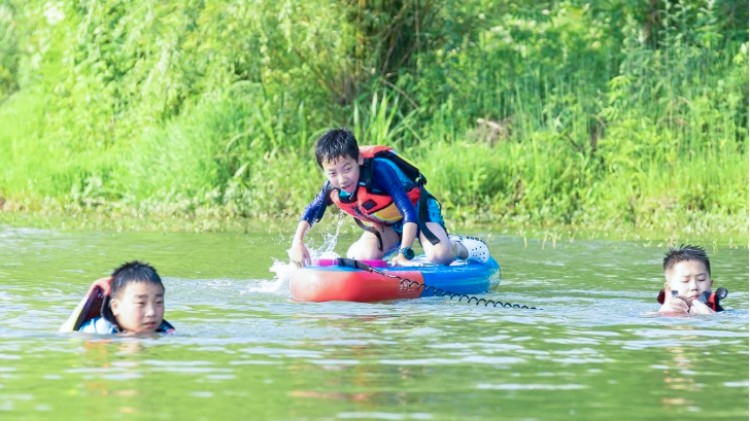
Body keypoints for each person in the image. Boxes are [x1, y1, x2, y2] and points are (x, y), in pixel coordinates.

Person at [289, 128, 489, 267]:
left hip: (418, 213)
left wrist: (404, 253)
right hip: (388, 223)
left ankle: (459, 246)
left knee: (439, 256)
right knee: (363, 257)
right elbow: (311, 211)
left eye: (347, 169)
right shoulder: (332, 189)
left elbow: (408, 213)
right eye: (332, 173)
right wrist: (297, 242)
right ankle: (363, 250)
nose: (341, 179)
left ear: (359, 159)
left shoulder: (380, 171)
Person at [78, 261, 175, 334]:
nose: (152, 313)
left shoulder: (164, 331)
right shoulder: (95, 331)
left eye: (158, 302)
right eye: (141, 303)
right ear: (116, 307)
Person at [658, 245, 725, 315]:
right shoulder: (663, 312)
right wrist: (662, 313)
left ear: (710, 284)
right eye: (685, 280)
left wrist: (711, 316)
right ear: (669, 288)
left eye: (701, 279)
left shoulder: (718, 313)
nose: (694, 287)